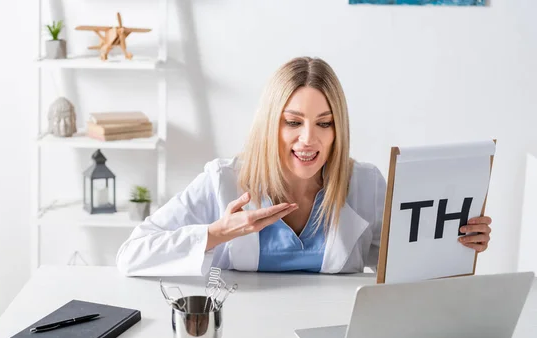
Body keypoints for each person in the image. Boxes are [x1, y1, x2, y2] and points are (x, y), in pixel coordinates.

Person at [116, 56, 492, 277]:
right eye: (293, 122)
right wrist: (216, 233)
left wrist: (458, 242)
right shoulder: (223, 181)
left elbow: (401, 264)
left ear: (337, 130)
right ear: (270, 125)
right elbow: (130, 255)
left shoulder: (365, 185)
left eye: (324, 124)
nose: (308, 139)